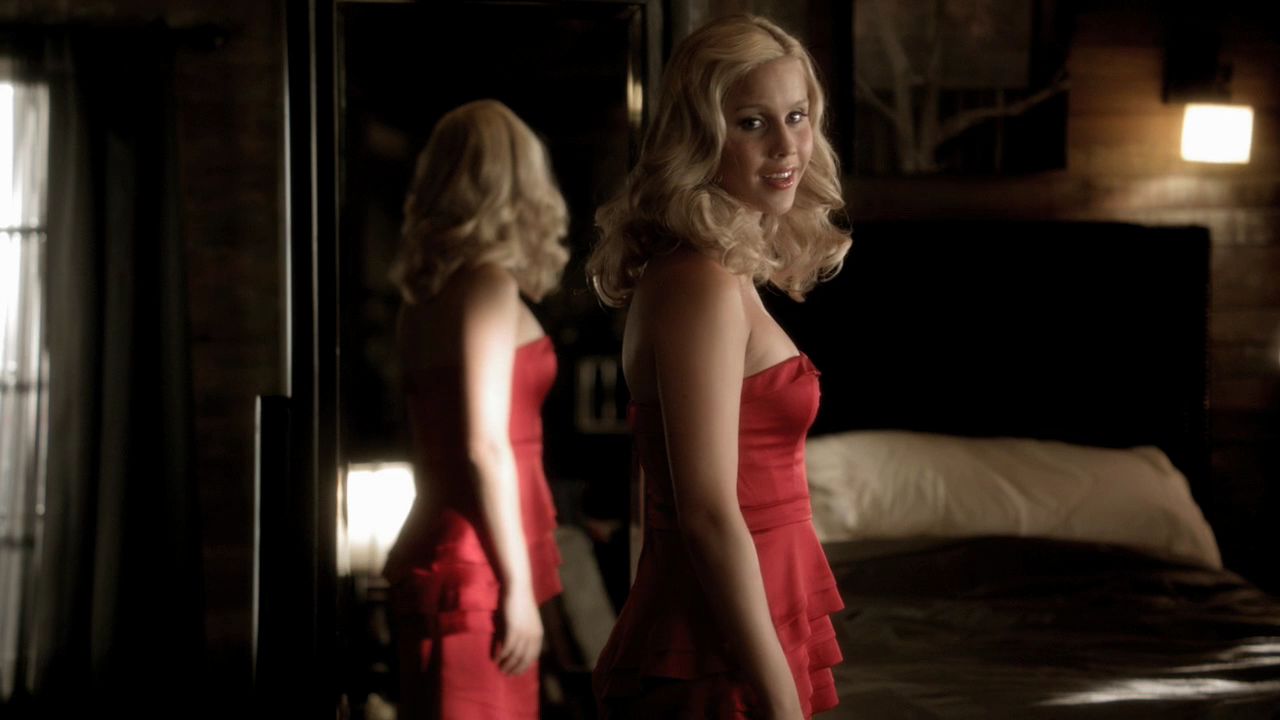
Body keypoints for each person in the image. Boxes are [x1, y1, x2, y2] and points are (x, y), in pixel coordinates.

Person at [586, 14, 851, 719]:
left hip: (748, 621)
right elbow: (705, 513)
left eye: (797, 116)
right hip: (717, 644)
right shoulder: (696, 280)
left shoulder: (719, 272)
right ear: (700, 137)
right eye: (752, 122)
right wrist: (778, 699)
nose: (787, 146)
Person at [383, 99, 569, 719]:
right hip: (477, 566)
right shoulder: (487, 283)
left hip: (444, 551)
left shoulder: (420, 300)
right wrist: (517, 587)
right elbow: (485, 445)